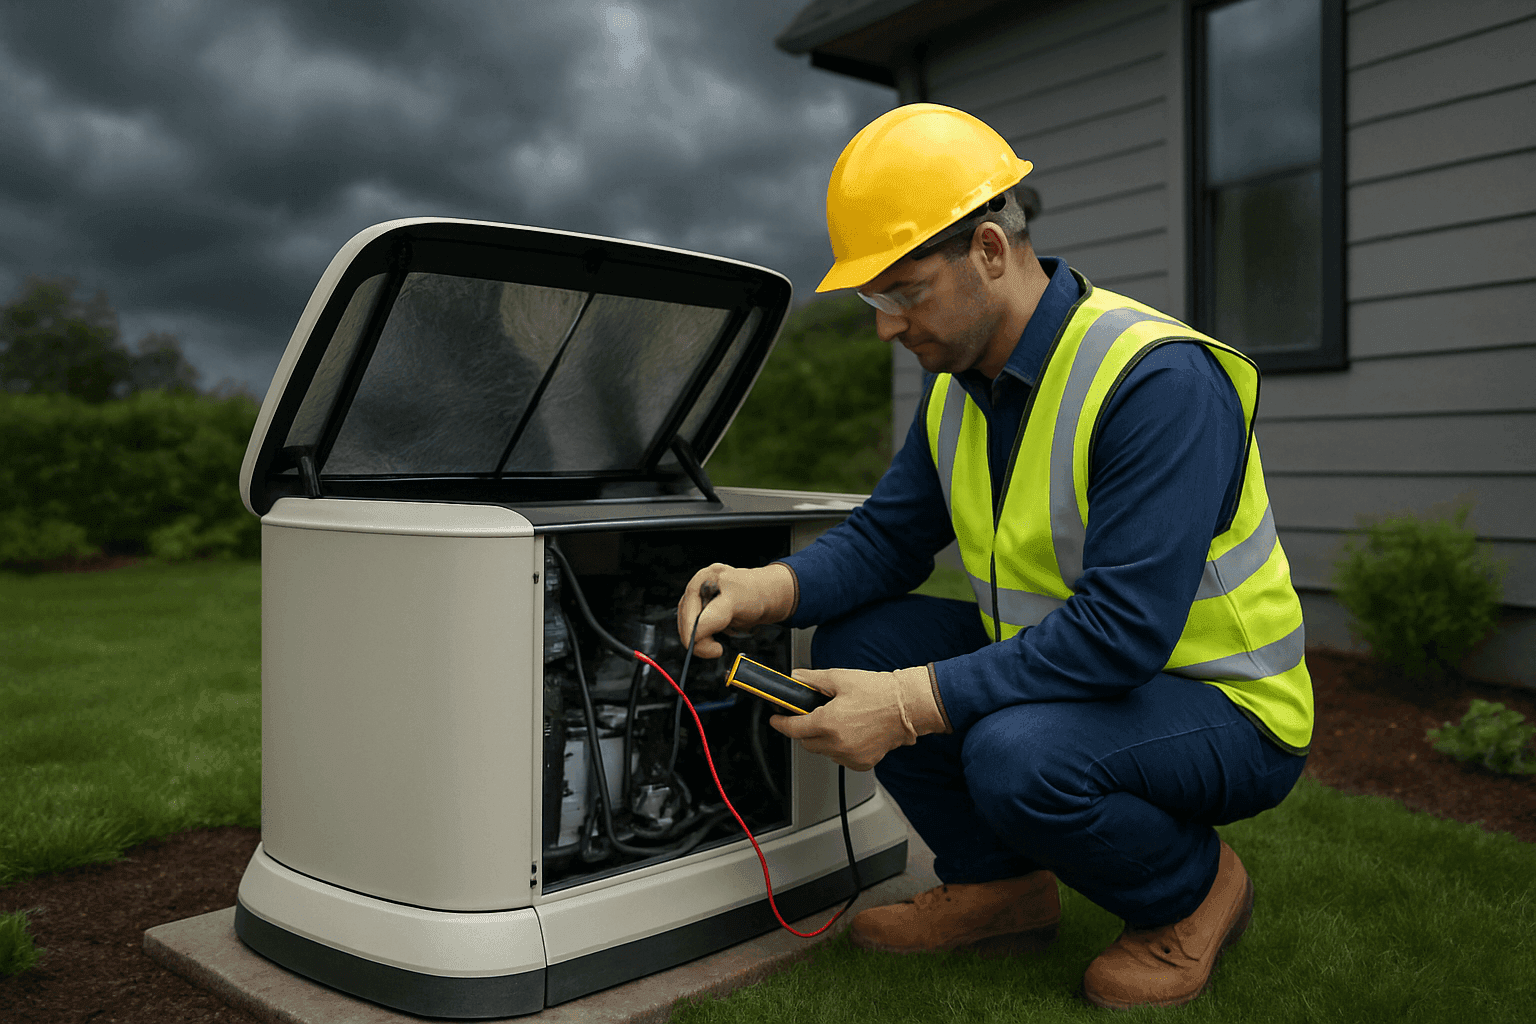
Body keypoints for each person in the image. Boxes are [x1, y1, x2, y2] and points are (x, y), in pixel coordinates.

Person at [675, 102, 1312, 1011]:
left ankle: (1191, 893)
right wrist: (766, 590)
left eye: (903, 292)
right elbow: (888, 539)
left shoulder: (1157, 382)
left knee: (1018, 756)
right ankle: (998, 889)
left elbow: (1123, 634)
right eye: (873, 299)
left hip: (1225, 701)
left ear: (987, 249)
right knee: (865, 634)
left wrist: (907, 707)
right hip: (1092, 676)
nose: (888, 326)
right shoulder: (959, 391)